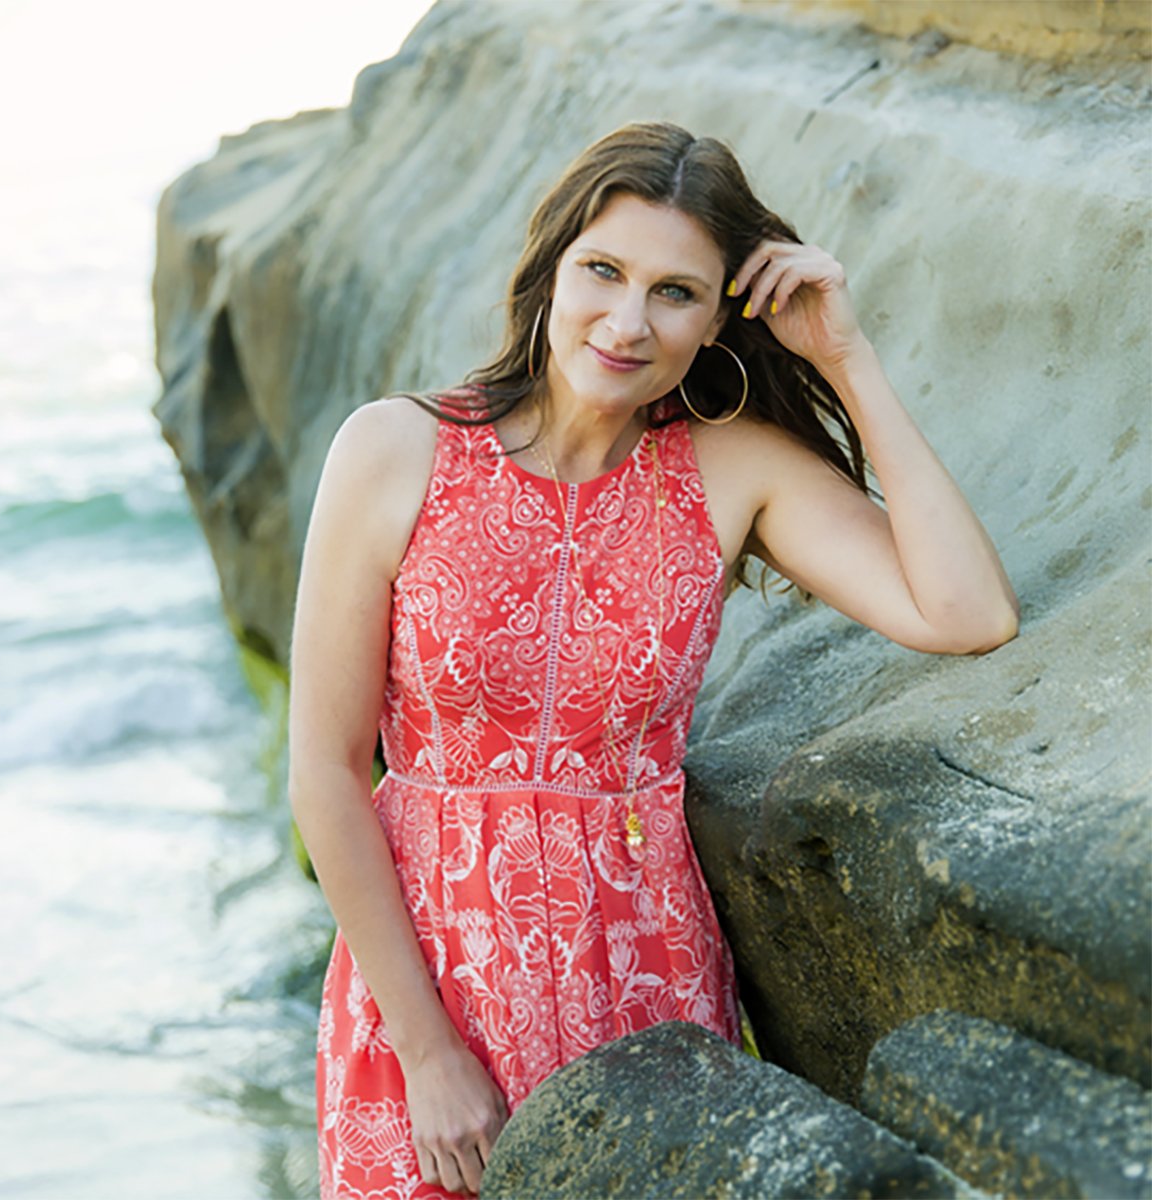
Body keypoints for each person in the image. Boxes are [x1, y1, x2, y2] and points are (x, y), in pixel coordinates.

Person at [288, 121, 1018, 1199]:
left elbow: (966, 611)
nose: (627, 322)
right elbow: (327, 769)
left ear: (721, 313)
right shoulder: (395, 450)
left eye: (675, 292)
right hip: (428, 996)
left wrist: (845, 359)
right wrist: (429, 1051)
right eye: (604, 271)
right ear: (549, 270)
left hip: (643, 991)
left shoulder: (730, 472)